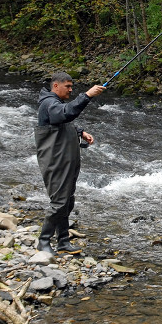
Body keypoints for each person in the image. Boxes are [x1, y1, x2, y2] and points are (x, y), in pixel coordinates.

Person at [35, 71, 105, 255]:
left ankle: (63, 242)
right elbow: (64, 114)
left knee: (67, 201)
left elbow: (62, 122)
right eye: (68, 86)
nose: (71, 90)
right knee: (59, 202)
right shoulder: (49, 103)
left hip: (66, 160)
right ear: (55, 86)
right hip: (55, 161)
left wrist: (80, 132)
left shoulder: (55, 103)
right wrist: (87, 95)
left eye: (72, 86)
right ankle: (43, 242)